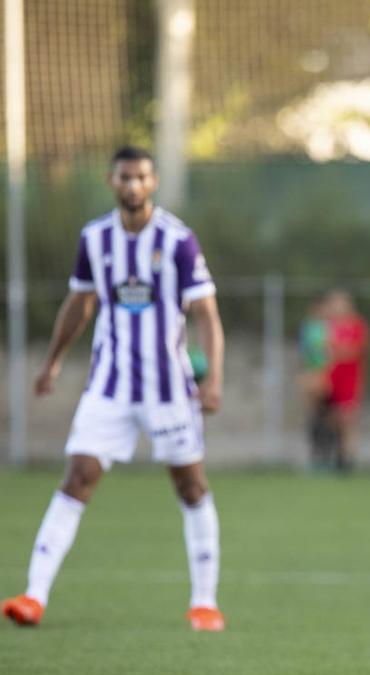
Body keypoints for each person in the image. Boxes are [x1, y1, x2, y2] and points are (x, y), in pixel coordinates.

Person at [2, 146, 227, 632]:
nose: (133, 186)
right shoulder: (95, 237)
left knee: (190, 485)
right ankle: (33, 596)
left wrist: (213, 378)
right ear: (112, 181)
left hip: (168, 390)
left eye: (142, 177)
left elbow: (206, 312)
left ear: (154, 182)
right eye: (125, 177)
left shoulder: (178, 240)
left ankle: (204, 602)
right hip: (109, 387)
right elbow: (80, 304)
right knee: (77, 476)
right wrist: (53, 362)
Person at [323, 290, 369, 473]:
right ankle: (335, 454)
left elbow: (357, 350)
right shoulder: (330, 326)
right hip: (332, 377)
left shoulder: (357, 325)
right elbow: (325, 351)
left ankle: (346, 460)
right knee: (332, 418)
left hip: (350, 378)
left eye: (340, 304)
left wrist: (339, 352)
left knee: (348, 419)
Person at [299, 295, 335, 470]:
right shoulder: (308, 328)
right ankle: (316, 457)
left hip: (330, 376)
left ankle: (329, 456)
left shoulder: (332, 327)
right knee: (315, 416)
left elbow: (333, 353)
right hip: (314, 375)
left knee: (330, 416)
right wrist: (307, 375)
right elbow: (305, 355)